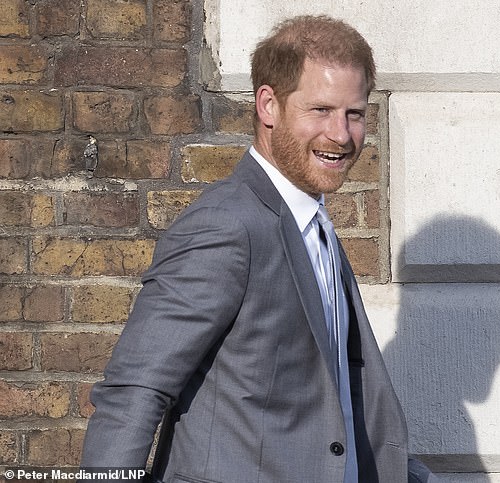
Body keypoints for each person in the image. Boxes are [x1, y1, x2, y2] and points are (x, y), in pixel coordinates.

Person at [80, 14, 432, 483]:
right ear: (269, 105)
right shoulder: (225, 226)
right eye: (321, 110)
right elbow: (135, 391)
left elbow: (337, 409)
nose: (342, 135)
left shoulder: (313, 223)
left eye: (355, 113)